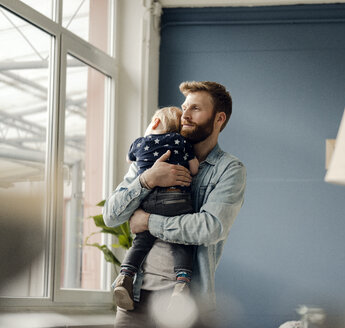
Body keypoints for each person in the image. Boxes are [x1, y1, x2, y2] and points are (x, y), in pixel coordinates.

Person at [103, 81, 246, 328]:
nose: (185, 115)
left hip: (186, 306)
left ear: (219, 118)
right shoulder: (152, 156)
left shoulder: (229, 170)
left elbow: (209, 228)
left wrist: (148, 221)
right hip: (133, 299)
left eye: (195, 109)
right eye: (184, 107)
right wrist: (148, 179)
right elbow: (111, 216)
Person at [113, 106, 199, 311]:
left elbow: (130, 160)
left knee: (141, 242)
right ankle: (181, 284)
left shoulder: (139, 143)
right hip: (177, 199)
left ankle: (125, 276)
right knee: (181, 242)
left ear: (155, 122)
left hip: (150, 202)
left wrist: (146, 149)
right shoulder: (182, 142)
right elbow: (194, 168)